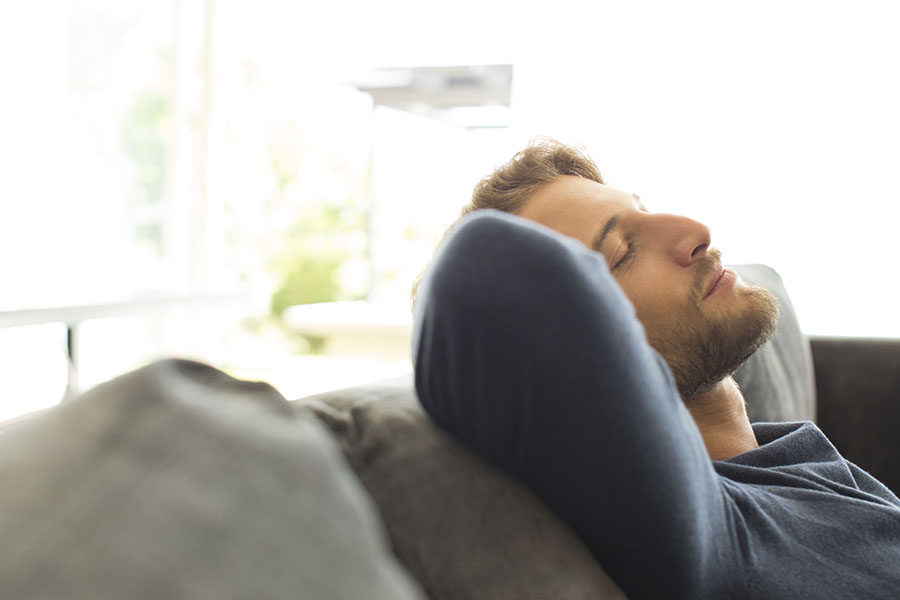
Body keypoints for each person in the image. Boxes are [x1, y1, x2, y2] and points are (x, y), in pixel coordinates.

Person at [411, 138, 900, 599]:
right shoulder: (710, 534)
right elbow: (481, 262)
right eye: (623, 253)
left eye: (642, 209)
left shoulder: (788, 456)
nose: (696, 232)